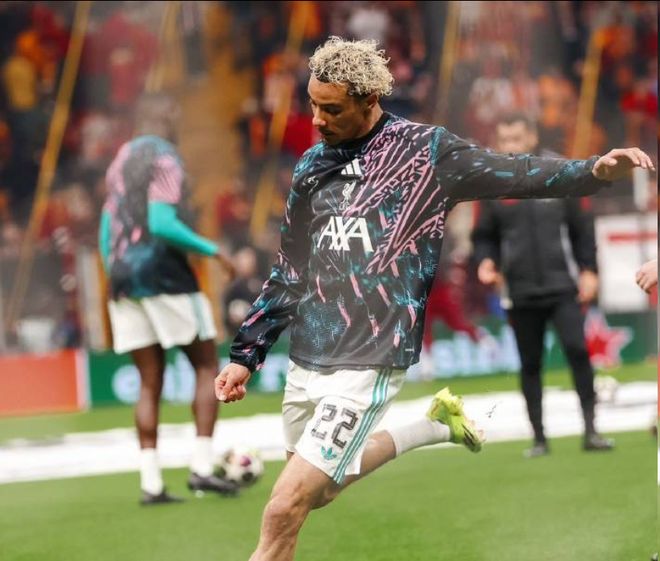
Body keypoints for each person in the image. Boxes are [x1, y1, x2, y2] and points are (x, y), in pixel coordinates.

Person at [214, 37, 654, 561]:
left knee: (282, 508)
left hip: (370, 353)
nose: (316, 119)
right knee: (318, 493)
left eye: (331, 109)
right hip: (309, 352)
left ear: (368, 99)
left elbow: (514, 171)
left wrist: (592, 171)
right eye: (312, 104)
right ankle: (429, 427)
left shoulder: (425, 152)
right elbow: (291, 268)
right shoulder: (311, 166)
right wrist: (247, 353)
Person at [99, 92, 238, 505]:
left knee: (148, 381)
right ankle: (201, 469)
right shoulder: (165, 158)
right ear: (166, 118)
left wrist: (115, 272)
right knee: (206, 365)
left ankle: (151, 483)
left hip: (122, 277)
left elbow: (107, 224)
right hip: (163, 273)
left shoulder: (121, 159)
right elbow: (160, 223)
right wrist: (212, 250)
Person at [471, 112, 616, 458]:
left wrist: (589, 270)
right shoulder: (493, 182)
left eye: (516, 138)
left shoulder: (559, 172)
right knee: (530, 364)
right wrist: (486, 262)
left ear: (532, 137)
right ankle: (539, 438)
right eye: (504, 140)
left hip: (563, 286)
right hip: (519, 291)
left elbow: (583, 229)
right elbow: (484, 237)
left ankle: (592, 431)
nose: (510, 146)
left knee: (578, 352)